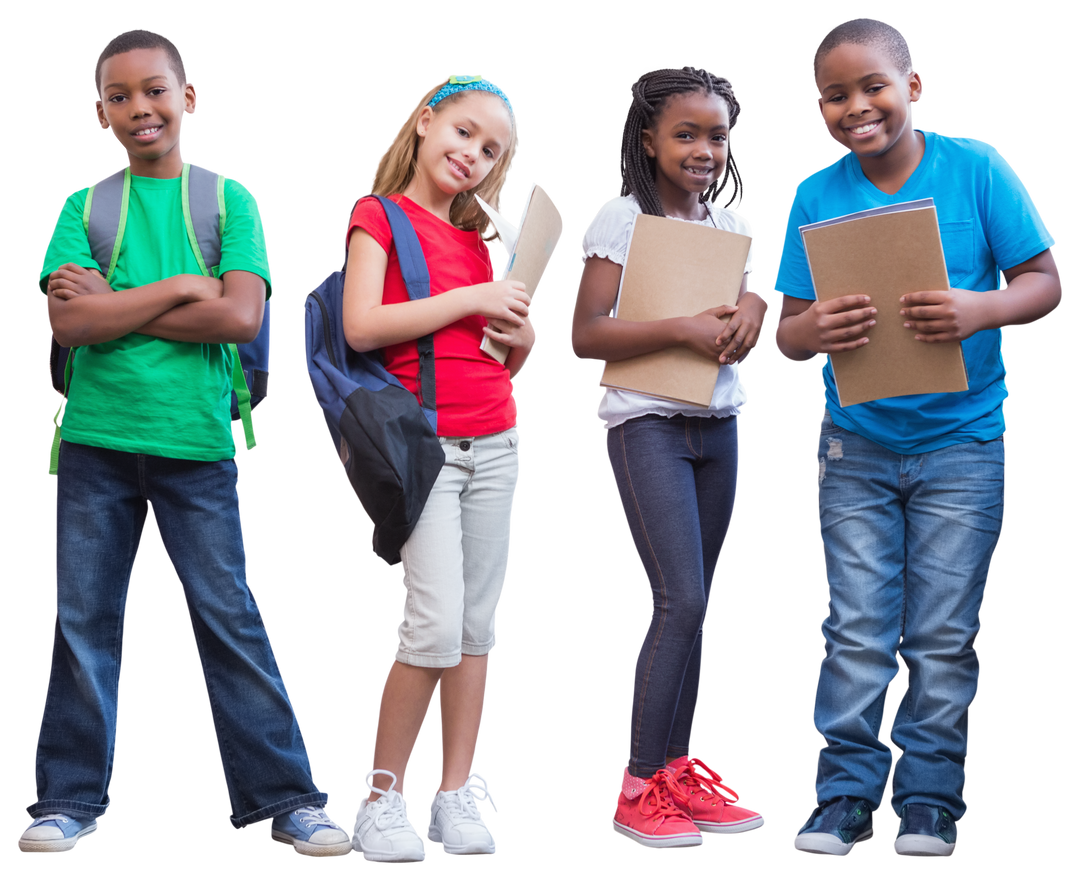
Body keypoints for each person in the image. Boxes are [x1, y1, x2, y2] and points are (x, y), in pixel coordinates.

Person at [19, 28, 351, 860]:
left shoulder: (231, 200)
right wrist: (177, 287)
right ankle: (65, 798)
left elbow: (240, 315)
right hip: (95, 442)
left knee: (228, 616)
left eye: (155, 90)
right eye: (121, 97)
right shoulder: (82, 206)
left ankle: (287, 798)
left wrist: (116, 306)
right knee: (83, 620)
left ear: (189, 97)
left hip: (198, 443)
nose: (142, 108)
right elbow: (67, 319)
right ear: (100, 114)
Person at [772, 16, 1063, 861]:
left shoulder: (976, 165)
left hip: (965, 444)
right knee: (857, 628)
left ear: (914, 87)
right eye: (835, 95)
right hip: (853, 445)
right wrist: (815, 325)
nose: (856, 106)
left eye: (874, 87)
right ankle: (844, 799)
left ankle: (931, 801)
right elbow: (788, 335)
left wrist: (983, 308)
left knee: (941, 632)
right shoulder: (813, 194)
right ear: (820, 107)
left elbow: (1045, 282)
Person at [570, 62, 771, 852]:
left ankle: (681, 768)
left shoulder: (735, 228)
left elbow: (747, 313)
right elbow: (586, 335)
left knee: (702, 601)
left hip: (720, 427)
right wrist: (681, 330)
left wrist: (756, 306)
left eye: (717, 135)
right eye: (686, 133)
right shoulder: (621, 219)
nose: (704, 150)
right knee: (677, 600)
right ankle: (636, 785)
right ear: (647, 138)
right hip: (646, 423)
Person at [340, 72, 533, 864]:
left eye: (491, 151)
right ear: (425, 122)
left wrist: (517, 336)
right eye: (463, 133)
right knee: (431, 623)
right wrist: (472, 303)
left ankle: (454, 793)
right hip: (421, 448)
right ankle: (381, 797)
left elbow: (501, 360)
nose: (473, 155)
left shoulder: (485, 241)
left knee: (477, 627)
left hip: (497, 441)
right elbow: (361, 326)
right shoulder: (377, 215)